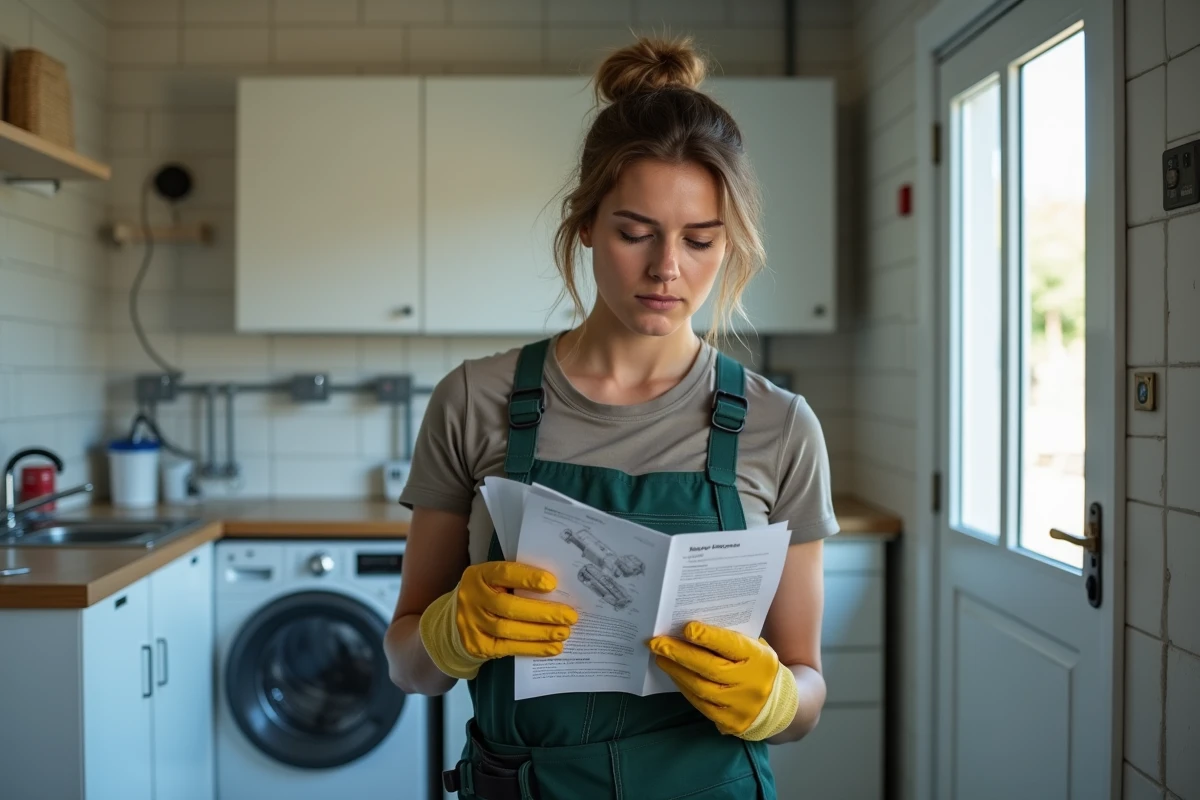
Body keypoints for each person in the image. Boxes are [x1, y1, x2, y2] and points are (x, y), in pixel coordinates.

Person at [385, 34, 838, 800]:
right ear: (586, 224)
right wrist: (450, 630)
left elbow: (807, 691)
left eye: (700, 241)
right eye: (635, 233)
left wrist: (780, 700)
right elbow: (407, 664)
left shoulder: (780, 425)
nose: (668, 269)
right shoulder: (475, 400)